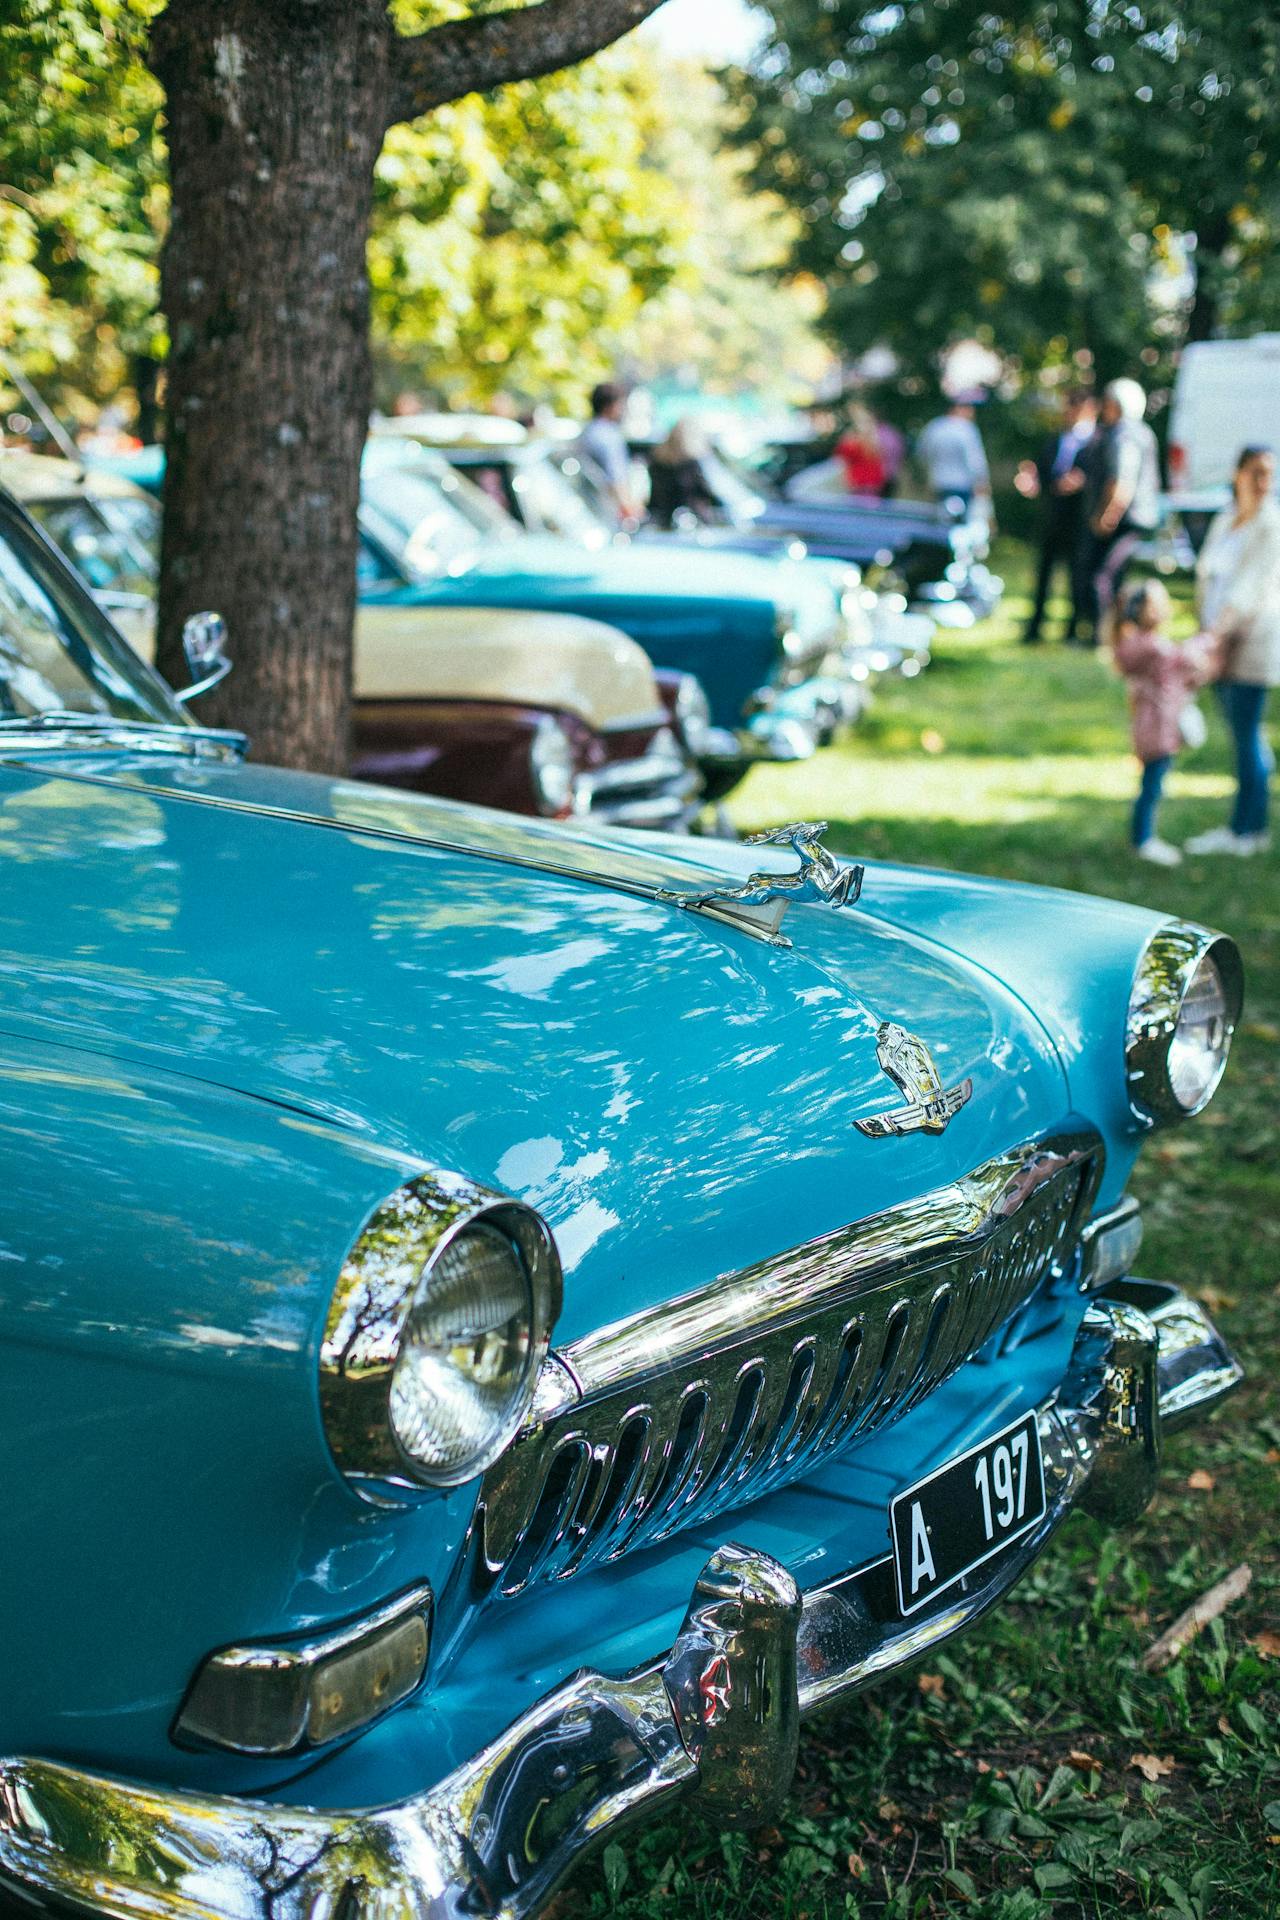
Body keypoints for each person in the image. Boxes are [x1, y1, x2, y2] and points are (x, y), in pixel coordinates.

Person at [1185, 445, 1280, 857]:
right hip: (1218, 641)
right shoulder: (1227, 518)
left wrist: (1215, 636)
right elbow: (1210, 576)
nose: (1263, 483)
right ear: (1238, 473)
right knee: (1244, 736)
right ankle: (1245, 824)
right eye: (1256, 473)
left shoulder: (1270, 525)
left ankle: (1248, 830)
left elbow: (1248, 591)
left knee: (1248, 735)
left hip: (1250, 644)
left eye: (1269, 474)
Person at [1112, 579, 1215, 867]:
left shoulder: (1137, 646)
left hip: (1149, 725)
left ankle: (1142, 836)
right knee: (1152, 785)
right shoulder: (1157, 649)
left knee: (1151, 782)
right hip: (1159, 728)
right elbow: (1191, 663)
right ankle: (1144, 839)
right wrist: (1208, 640)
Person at [1082, 378, 1161, 645]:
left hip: (1124, 519)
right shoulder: (1144, 432)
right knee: (1115, 577)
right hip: (1138, 517)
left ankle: (1104, 636)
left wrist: (1107, 515)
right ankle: (1120, 633)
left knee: (1101, 576)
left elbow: (1122, 480)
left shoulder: (1123, 434)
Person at [1017, 388, 1096, 645]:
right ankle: (1035, 628)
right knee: (1044, 575)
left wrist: (1083, 482)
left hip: (1079, 520)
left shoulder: (1096, 442)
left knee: (1076, 576)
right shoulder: (1055, 440)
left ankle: (1073, 629)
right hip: (1053, 518)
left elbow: (1101, 477)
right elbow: (1042, 472)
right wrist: (1032, 479)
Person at [915, 393, 991, 517]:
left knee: (939, 521)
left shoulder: (934, 427)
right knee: (958, 526)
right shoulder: (966, 428)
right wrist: (981, 483)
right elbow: (975, 462)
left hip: (938, 485)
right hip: (961, 486)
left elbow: (921, 455)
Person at [576, 381, 640, 526]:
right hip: (606, 510)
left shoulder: (587, 433)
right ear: (609, 406)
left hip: (586, 509)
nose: (623, 410)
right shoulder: (609, 436)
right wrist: (628, 508)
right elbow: (616, 477)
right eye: (620, 404)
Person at [647, 420, 720, 527]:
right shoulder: (693, 463)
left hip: (662, 521)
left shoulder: (657, 461)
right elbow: (708, 491)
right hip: (693, 523)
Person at [835, 405, 887, 496]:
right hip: (856, 485)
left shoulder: (876, 438)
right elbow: (843, 463)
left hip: (872, 485)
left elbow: (878, 460)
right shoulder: (849, 440)